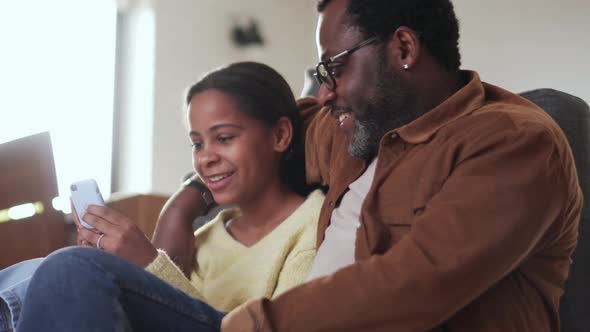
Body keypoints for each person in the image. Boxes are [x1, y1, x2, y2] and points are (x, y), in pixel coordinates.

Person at [16, 0, 583, 331]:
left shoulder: (512, 142)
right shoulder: (350, 129)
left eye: (333, 68)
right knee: (33, 279)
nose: (325, 91)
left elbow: (415, 286)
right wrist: (184, 204)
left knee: (73, 274)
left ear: (404, 49)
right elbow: (260, 136)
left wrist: (249, 323)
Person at [8, 61, 324, 331]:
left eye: (224, 138)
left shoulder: (310, 230)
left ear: (280, 135)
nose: (206, 158)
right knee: (36, 275)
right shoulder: (210, 235)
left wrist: (147, 263)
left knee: (69, 267)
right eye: (197, 144)